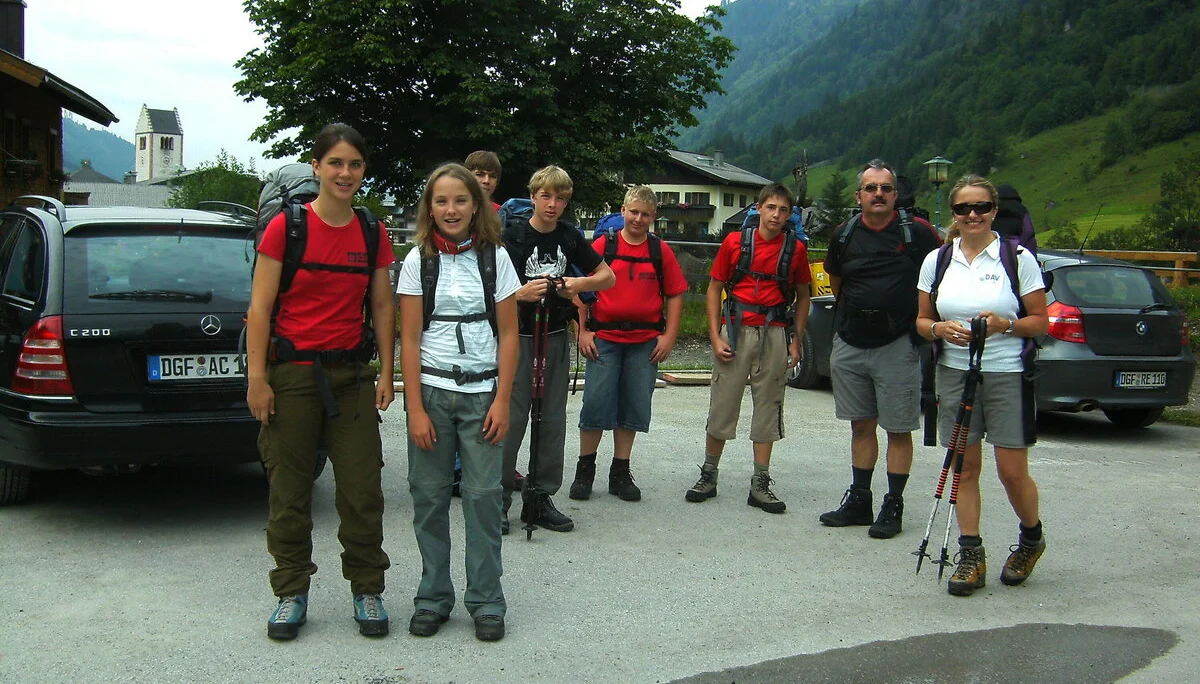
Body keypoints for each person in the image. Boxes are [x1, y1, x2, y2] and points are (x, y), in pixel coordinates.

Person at [247, 123, 395, 640]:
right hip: (291, 377)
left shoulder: (372, 231)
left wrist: (388, 374)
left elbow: (381, 306)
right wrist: (257, 379)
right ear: (316, 166)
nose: (345, 173)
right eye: (335, 162)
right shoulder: (286, 229)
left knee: (361, 488)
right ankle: (290, 591)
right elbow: (261, 309)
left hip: (352, 375)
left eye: (354, 164)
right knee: (289, 491)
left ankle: (367, 588)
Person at [397, 163, 520, 641]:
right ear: (430, 207)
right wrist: (415, 410)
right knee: (427, 499)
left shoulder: (497, 259)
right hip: (432, 393)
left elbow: (509, 334)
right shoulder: (416, 260)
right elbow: (408, 340)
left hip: (483, 395)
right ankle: (433, 597)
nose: (451, 209)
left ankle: (487, 601)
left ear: (477, 206)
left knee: (485, 500)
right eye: (441, 201)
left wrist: (503, 401)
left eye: (460, 200)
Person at [915, 174, 1048, 597]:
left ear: (994, 211)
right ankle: (970, 554)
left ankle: (1031, 538)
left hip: (1007, 372)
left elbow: (1041, 321)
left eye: (981, 208)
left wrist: (1005, 324)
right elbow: (920, 322)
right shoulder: (937, 260)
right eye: (963, 209)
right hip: (954, 373)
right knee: (965, 468)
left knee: (1012, 472)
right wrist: (939, 328)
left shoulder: (1017, 257)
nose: (972, 215)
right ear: (954, 214)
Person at [818, 159, 942, 539]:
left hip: (897, 343)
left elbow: (940, 274)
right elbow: (836, 280)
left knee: (898, 428)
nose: (878, 194)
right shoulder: (845, 233)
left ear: (895, 194)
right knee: (861, 425)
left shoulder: (917, 233)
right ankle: (859, 500)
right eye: (870, 188)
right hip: (852, 340)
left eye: (885, 188)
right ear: (859, 196)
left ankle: (893, 504)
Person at [500, 165, 615, 534]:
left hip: (553, 335)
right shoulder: (511, 236)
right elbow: (485, 284)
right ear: (532, 196)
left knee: (551, 420)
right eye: (546, 196)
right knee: (510, 419)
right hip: (516, 337)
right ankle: (497, 499)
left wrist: (575, 284)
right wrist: (519, 293)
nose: (552, 204)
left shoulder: (569, 237)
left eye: (560, 198)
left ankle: (540, 496)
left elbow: (607, 276)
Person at [686, 183, 810, 513]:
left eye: (783, 210)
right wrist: (715, 335)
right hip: (737, 328)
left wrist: (796, 340)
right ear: (758, 208)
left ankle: (760, 482)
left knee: (769, 403)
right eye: (771, 208)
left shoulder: (795, 250)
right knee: (723, 402)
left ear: (789, 215)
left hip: (775, 331)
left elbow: (803, 295)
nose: (776, 215)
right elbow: (714, 289)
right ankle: (709, 473)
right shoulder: (735, 242)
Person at [569, 185, 687, 502]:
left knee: (633, 406)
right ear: (622, 211)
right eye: (633, 212)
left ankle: (620, 472)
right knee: (595, 403)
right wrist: (582, 331)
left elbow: (675, 295)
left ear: (654, 217)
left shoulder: (660, 252)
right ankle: (585, 471)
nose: (638, 219)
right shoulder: (602, 246)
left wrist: (669, 336)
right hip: (604, 338)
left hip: (644, 342)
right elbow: (579, 289)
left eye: (645, 214)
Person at [453, 150, 524, 496]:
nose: (484, 181)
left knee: (488, 386)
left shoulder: (501, 216)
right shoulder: (451, 210)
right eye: (478, 174)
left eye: (490, 176)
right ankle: (455, 466)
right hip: (456, 306)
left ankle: (485, 460)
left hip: (492, 305)